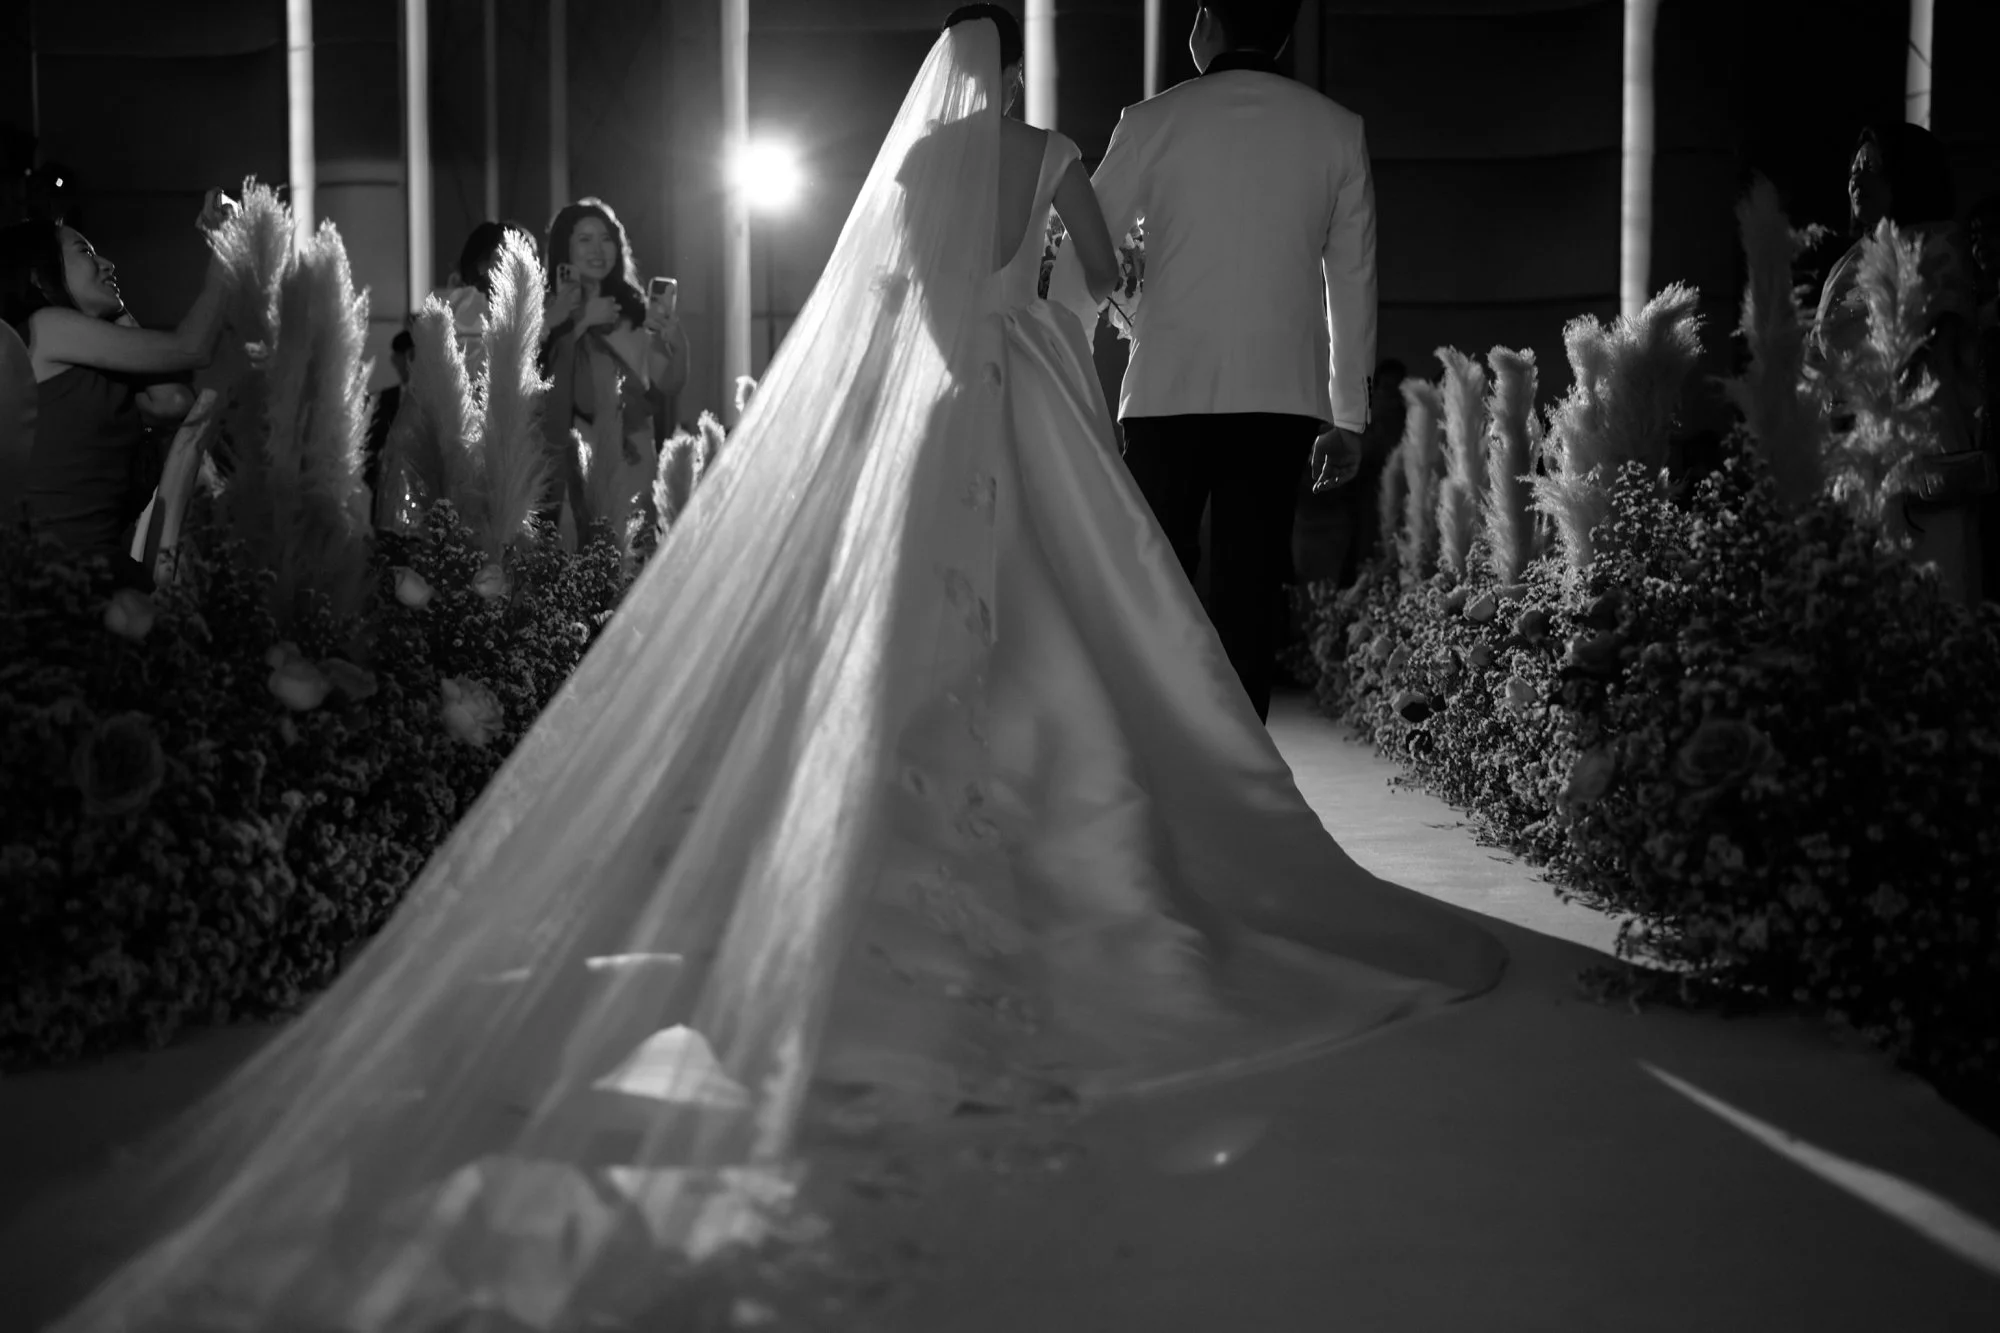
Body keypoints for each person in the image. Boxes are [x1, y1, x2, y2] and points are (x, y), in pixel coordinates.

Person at [40, 12, 1502, 1330]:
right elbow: (1107, 272)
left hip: (936, 410)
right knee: (1097, 602)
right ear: (1014, 75)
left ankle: (919, 813)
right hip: (1044, 396)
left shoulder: (916, 168)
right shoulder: (1061, 147)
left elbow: (890, 297)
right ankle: (1123, 801)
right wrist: (1094, 291)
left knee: (926, 618)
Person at [1049, 0, 1376, 721]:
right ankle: (1244, 758)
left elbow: (1084, 256)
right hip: (1280, 395)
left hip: (1166, 388)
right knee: (1249, 588)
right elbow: (1352, 281)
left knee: (1154, 578)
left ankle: (1158, 742)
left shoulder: (1151, 121)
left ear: (1206, 23)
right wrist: (1349, 415)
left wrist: (1060, 363)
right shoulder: (1336, 129)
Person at [0, 193, 233, 580]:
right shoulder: (46, 328)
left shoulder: (88, 353)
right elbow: (192, 348)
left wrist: (115, 305)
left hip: (95, 569)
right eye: (86, 253)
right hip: (55, 577)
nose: (108, 264)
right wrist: (227, 246)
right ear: (39, 276)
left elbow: (173, 401)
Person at [1809, 122, 1985, 601]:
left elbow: (1924, 346)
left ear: (1907, 177)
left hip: (1920, 456)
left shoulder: (1937, 248)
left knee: (1929, 598)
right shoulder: (1849, 261)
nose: (1856, 180)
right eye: (1853, 170)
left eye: (1872, 169)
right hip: (1858, 459)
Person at [540, 197, 690, 543]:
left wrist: (678, 344)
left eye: (606, 238)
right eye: (584, 239)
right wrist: (579, 323)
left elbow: (668, 382)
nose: (597, 249)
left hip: (635, 458)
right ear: (564, 248)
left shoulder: (636, 310)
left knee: (633, 552)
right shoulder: (549, 310)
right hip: (578, 457)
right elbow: (541, 380)